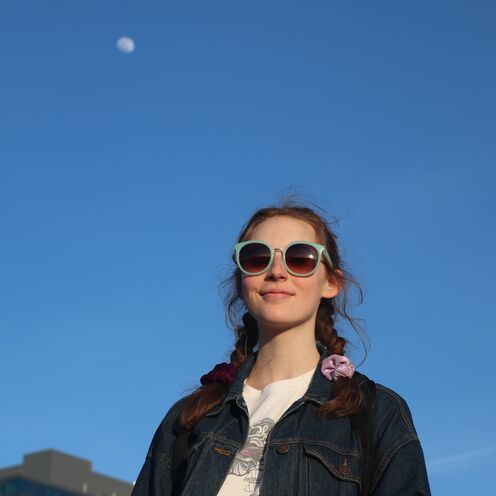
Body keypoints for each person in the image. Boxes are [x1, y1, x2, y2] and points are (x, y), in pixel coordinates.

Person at [131, 202, 431, 496]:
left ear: (330, 283)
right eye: (256, 258)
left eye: (300, 258)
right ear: (241, 281)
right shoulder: (189, 418)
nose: (276, 271)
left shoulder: (376, 412)